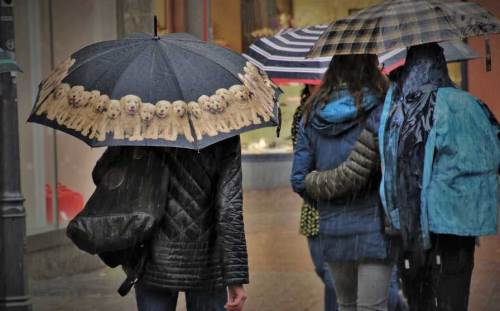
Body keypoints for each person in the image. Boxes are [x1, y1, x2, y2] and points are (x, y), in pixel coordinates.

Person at [379, 43, 500, 311]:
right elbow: (494, 153)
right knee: (455, 293)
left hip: (420, 226)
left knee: (421, 297)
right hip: (462, 223)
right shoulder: (470, 103)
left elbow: (394, 168)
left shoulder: (406, 108)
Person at [92, 137, 248, 311]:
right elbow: (229, 208)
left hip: (150, 257)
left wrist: (129, 145)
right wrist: (235, 278)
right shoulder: (221, 127)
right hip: (206, 264)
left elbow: (101, 174)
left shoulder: (142, 122)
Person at [291, 54, 396, 311]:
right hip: (375, 227)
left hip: (333, 228)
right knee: (374, 307)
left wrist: (326, 197)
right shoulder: (384, 107)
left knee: (345, 305)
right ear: (370, 68)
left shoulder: (311, 113)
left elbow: (298, 180)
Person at [291, 84, 338, 311]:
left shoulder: (347, 109)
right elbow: (299, 162)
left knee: (332, 274)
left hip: (338, 201)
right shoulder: (302, 113)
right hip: (313, 204)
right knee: (322, 268)